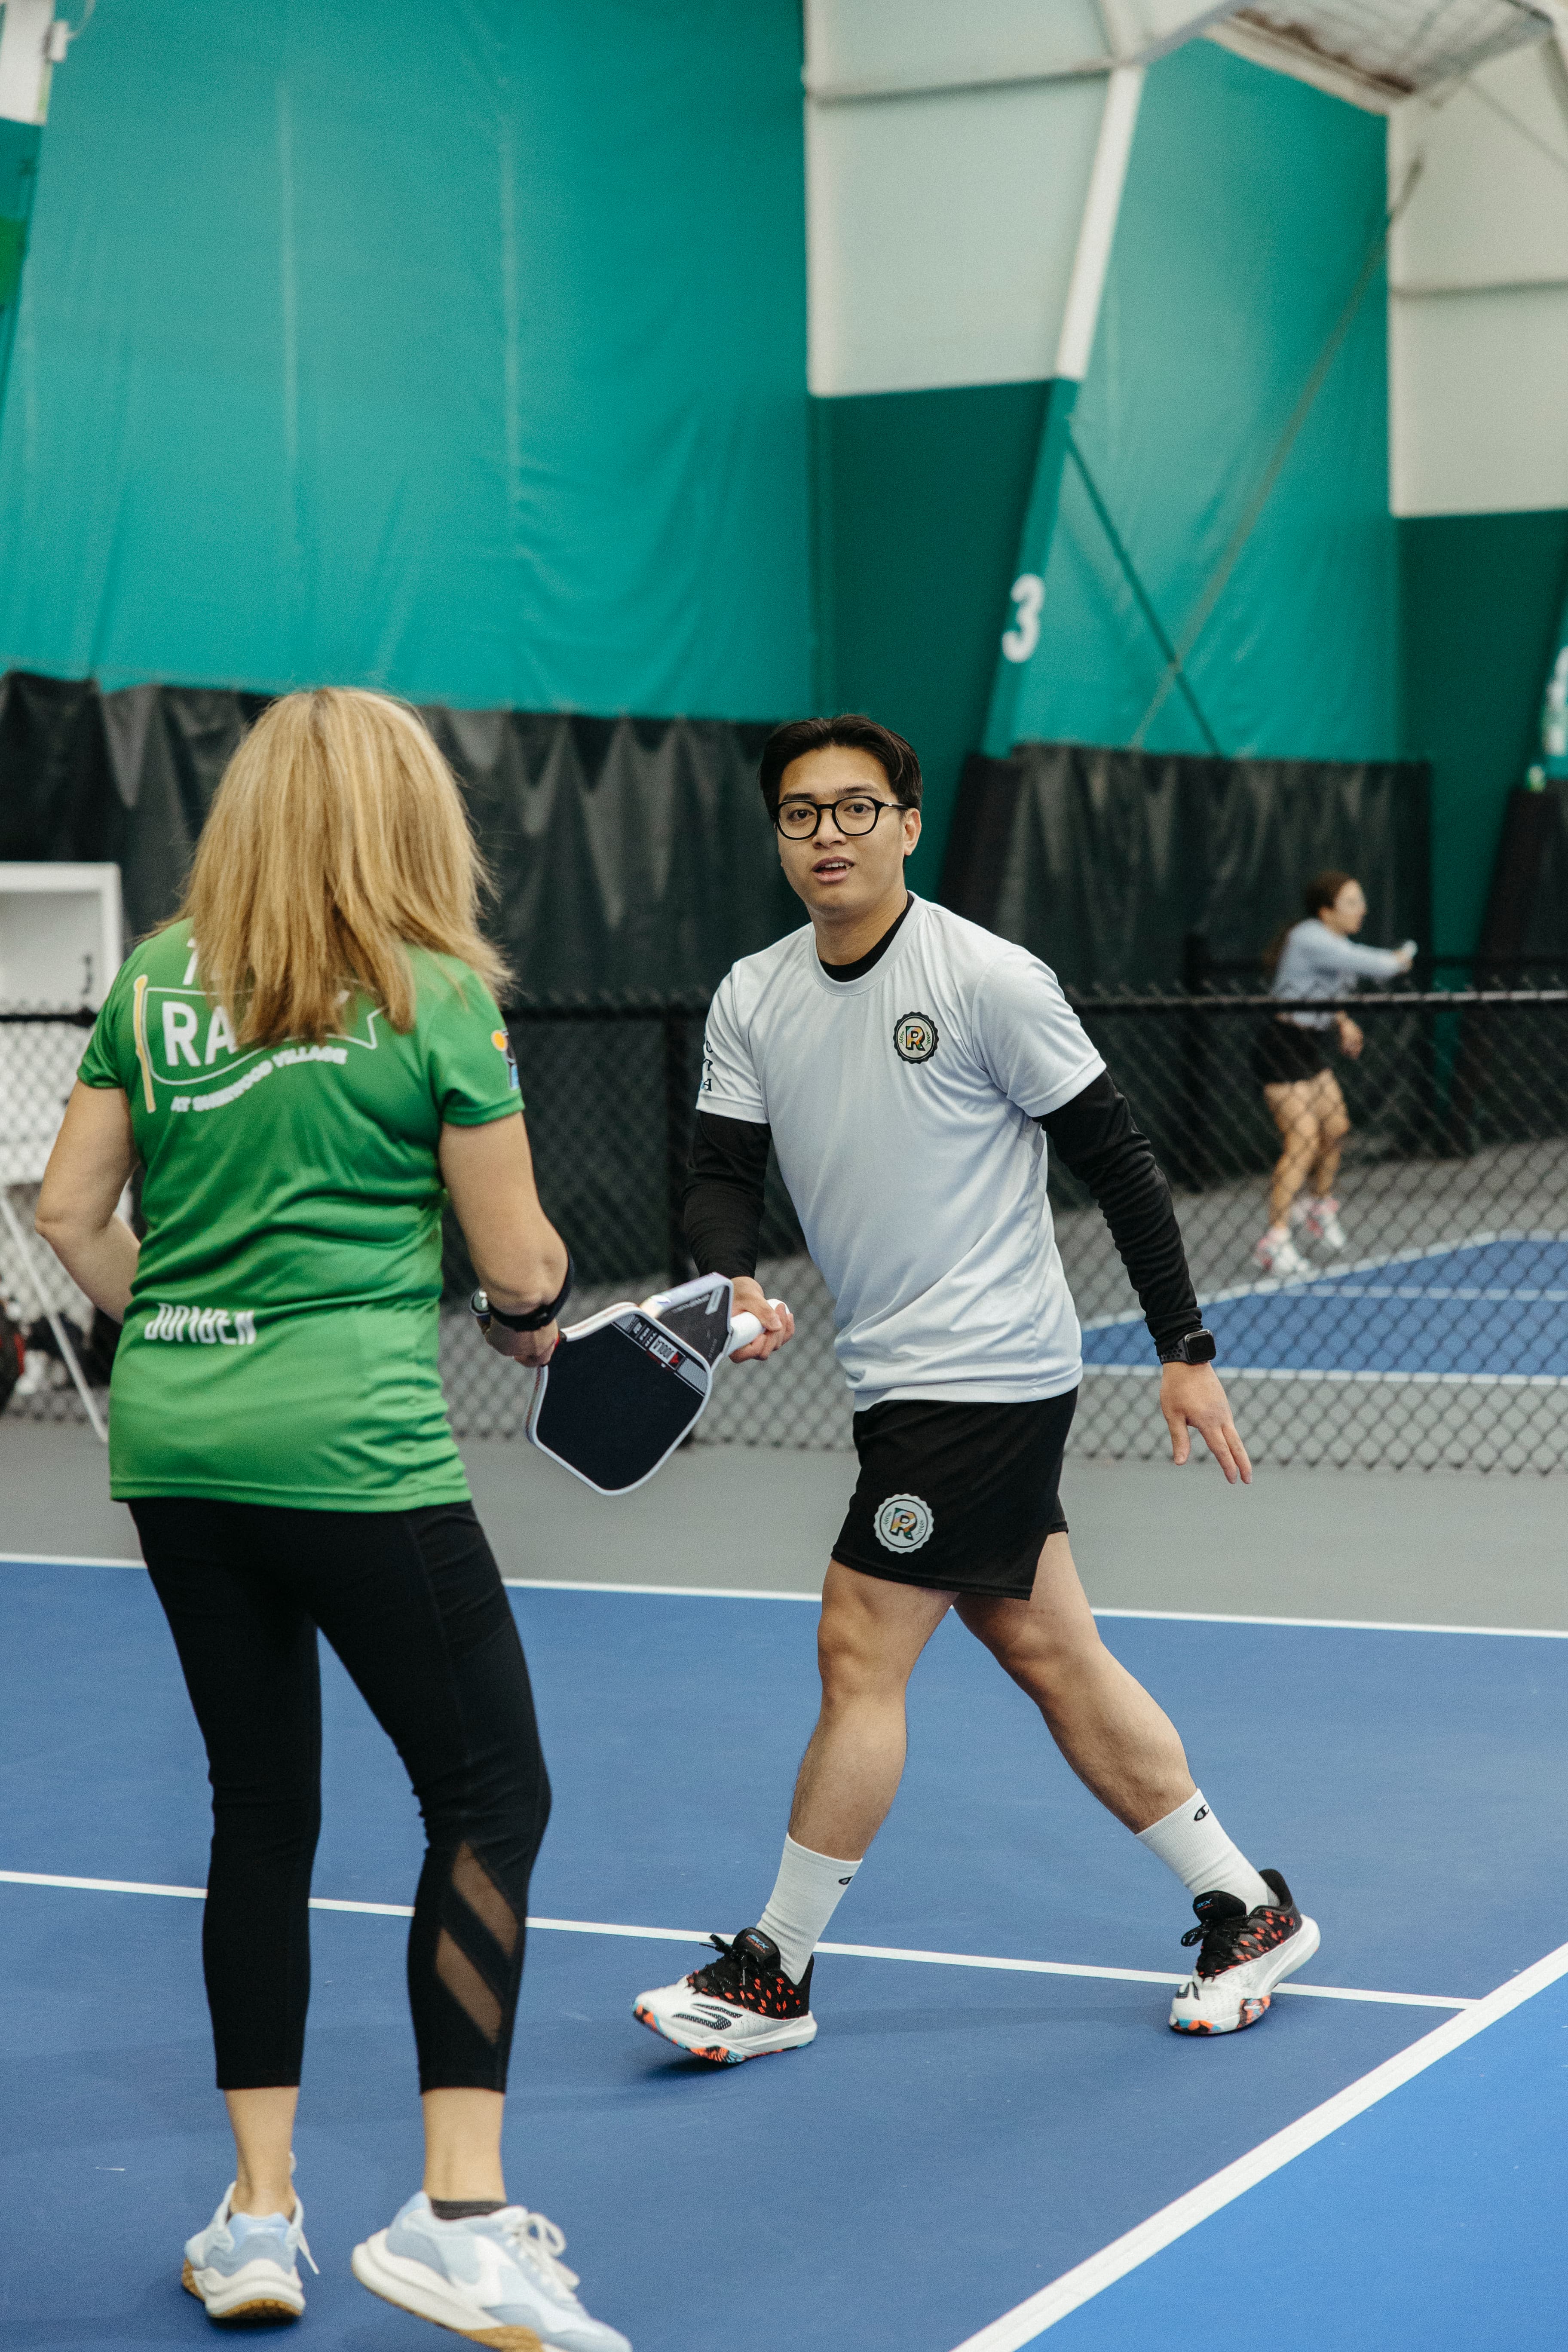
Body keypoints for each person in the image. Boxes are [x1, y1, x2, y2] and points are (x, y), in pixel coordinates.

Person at [35, 689, 629, 2352]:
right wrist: (544, 1305)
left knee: (260, 1809)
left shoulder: (155, 982)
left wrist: (185, 1331)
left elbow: (67, 1210)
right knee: (491, 1789)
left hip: (174, 1446)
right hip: (356, 1455)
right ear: (406, 820)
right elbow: (519, 1273)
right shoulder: (438, 993)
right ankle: (454, 2214)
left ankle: (258, 2215)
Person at [632, 712, 1318, 2067]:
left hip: (988, 1369)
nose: (825, 833)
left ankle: (774, 1969)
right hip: (895, 1374)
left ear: (906, 821)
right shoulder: (753, 993)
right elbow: (720, 1175)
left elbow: (1117, 1159)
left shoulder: (987, 977)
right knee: (1049, 1651)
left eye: (852, 808)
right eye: (799, 814)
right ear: (778, 836)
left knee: (857, 1645)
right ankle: (1245, 1905)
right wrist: (736, 1283)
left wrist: (1185, 1349)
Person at [1251, 872, 1416, 1278]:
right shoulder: (1310, 936)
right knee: (1302, 1142)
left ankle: (1318, 1206)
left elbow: (1323, 987)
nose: (1362, 910)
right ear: (1327, 911)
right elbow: (1372, 965)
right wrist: (1400, 958)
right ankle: (1274, 1241)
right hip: (1281, 1047)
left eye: (1361, 901)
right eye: (1352, 903)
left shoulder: (1331, 943)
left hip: (1311, 1046)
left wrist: (1341, 1020)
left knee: (1337, 1128)